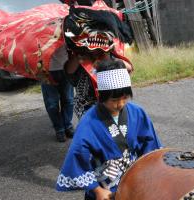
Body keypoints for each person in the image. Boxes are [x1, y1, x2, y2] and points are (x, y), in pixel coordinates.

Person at [56, 59, 162, 200]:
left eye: (124, 97)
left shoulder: (137, 113)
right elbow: (78, 156)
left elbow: (150, 146)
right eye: (114, 100)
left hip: (134, 180)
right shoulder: (89, 121)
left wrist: (150, 174)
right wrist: (96, 190)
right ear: (101, 95)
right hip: (105, 187)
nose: (120, 104)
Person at [41, 45, 75, 143]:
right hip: (45, 69)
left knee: (69, 100)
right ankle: (59, 129)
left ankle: (67, 126)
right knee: (52, 103)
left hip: (66, 67)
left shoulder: (64, 29)